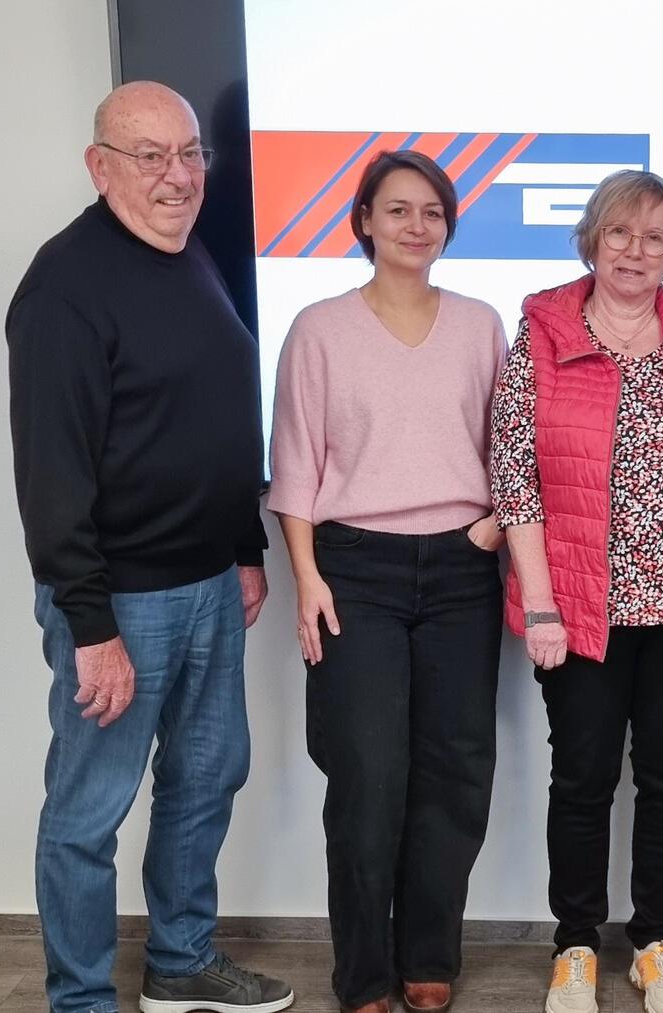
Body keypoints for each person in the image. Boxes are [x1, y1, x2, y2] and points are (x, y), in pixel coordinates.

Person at [6, 81, 292, 1013]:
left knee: (208, 776)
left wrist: (244, 545)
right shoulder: (65, 286)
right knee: (90, 811)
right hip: (121, 601)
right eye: (149, 156)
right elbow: (52, 477)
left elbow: (213, 417)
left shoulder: (188, 252)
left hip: (210, 580)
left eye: (188, 154)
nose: (177, 177)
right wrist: (91, 625)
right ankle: (81, 998)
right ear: (100, 166)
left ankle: (180, 960)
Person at [490, 170, 663, 1013]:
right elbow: (516, 481)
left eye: (654, 237)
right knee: (583, 779)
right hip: (578, 614)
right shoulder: (540, 335)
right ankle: (575, 945)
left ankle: (653, 942)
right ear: (592, 240)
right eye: (619, 233)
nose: (636, 251)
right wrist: (538, 604)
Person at [269, 151, 506, 1013]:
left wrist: (486, 530)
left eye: (432, 212)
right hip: (353, 569)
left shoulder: (482, 325)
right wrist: (306, 576)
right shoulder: (320, 328)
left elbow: (507, 454)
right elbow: (295, 463)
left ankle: (428, 954)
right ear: (363, 220)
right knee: (367, 772)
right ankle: (365, 973)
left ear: (447, 225)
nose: (416, 225)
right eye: (397, 210)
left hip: (461, 568)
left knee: (455, 769)